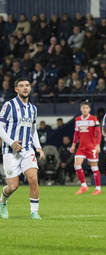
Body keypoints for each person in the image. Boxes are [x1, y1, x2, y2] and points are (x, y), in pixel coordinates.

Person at [0, 77, 45, 219]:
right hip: (10, 151)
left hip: (27, 150)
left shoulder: (33, 109)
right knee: (13, 186)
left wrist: (38, 147)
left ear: (30, 88)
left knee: (33, 179)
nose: (25, 88)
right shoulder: (9, 105)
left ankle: (34, 212)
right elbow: (0, 128)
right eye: (21, 86)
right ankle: (2, 202)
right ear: (16, 89)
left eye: (27, 85)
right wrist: (12, 142)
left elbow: (33, 130)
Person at [70, 101, 102, 195]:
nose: (85, 109)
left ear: (89, 109)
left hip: (91, 147)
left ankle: (98, 188)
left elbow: (99, 133)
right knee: (77, 165)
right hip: (81, 147)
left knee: (94, 167)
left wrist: (97, 145)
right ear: (81, 109)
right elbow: (76, 133)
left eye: (86, 108)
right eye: (83, 108)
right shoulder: (78, 119)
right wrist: (73, 145)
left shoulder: (93, 119)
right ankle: (84, 186)